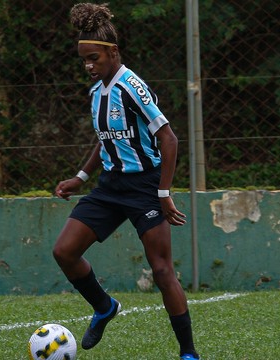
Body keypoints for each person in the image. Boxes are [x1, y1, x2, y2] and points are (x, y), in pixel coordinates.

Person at [52, 3, 200, 360]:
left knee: (163, 270)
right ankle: (104, 307)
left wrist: (163, 192)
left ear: (112, 52)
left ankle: (189, 352)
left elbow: (169, 138)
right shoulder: (96, 92)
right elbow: (106, 139)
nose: (88, 66)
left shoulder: (131, 86)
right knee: (65, 251)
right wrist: (81, 177)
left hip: (146, 187)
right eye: (83, 60)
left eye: (94, 59)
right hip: (109, 187)